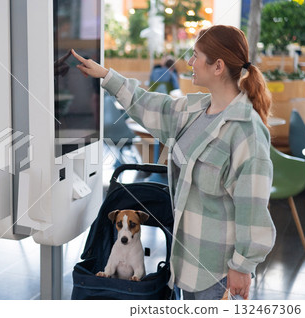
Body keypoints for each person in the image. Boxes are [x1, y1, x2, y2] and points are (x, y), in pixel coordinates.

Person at [71, 24, 276, 300]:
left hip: (217, 273)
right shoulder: (193, 109)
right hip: (183, 263)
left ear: (217, 66)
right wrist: (106, 76)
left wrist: (242, 266)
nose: (189, 62)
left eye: (195, 55)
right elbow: (149, 105)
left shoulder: (247, 130)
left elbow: (253, 207)